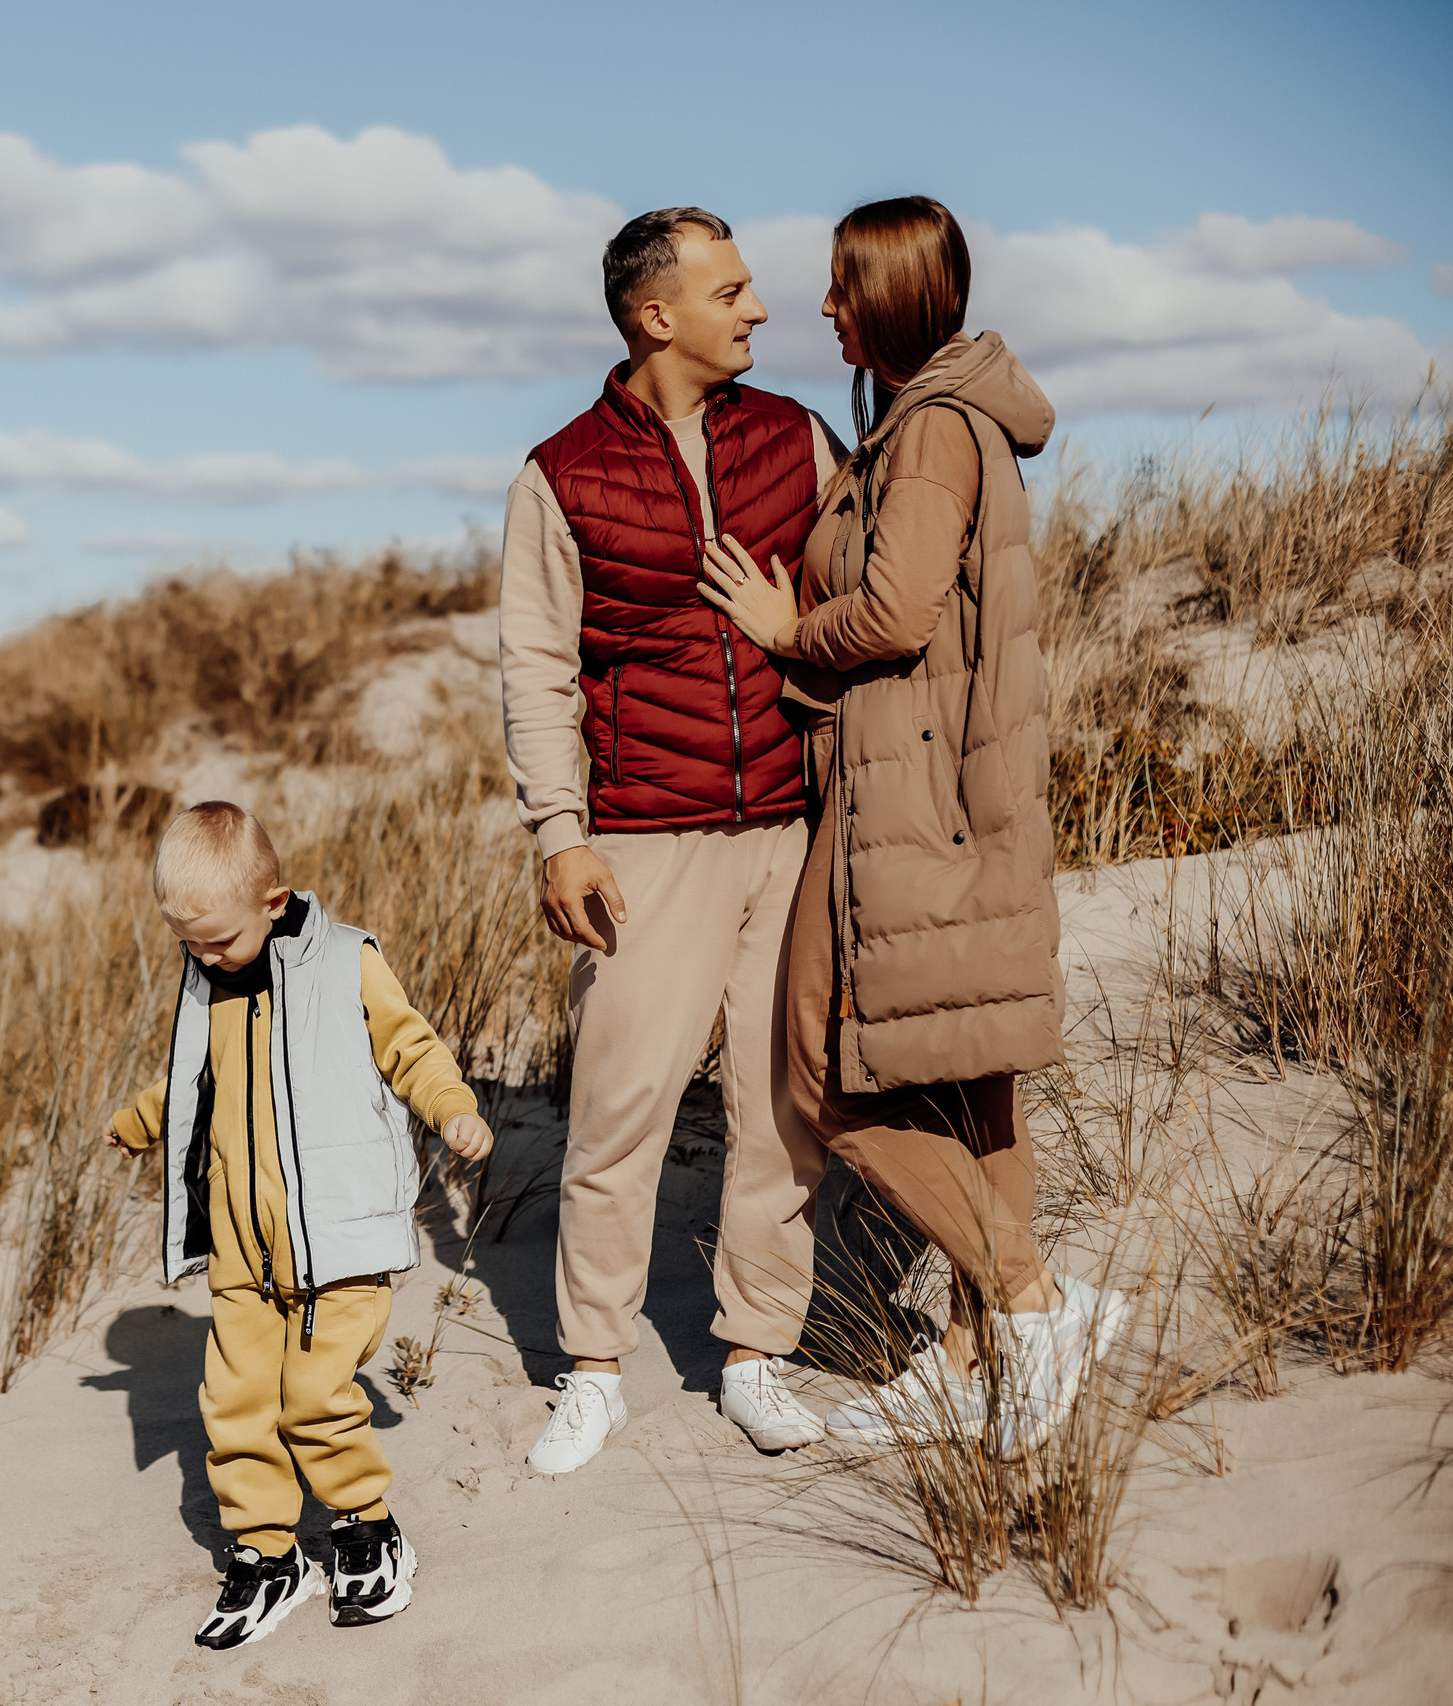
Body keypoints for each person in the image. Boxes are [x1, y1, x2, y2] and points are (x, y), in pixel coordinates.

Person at [697, 195, 1128, 1456]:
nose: (819, 307)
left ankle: (1034, 1303)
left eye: (838, 288)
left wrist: (784, 635)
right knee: (967, 1087)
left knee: (826, 1080)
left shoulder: (932, 428)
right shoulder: (923, 420)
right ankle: (971, 1358)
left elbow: (891, 611)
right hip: (939, 798)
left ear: (882, 299)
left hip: (911, 799)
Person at [499, 206, 845, 1472]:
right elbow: (536, 668)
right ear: (657, 314)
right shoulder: (561, 471)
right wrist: (560, 834)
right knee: (619, 1108)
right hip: (646, 837)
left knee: (779, 1101)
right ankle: (591, 1365)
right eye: (733, 290)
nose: (759, 309)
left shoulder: (801, 437)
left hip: (792, 831)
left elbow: (865, 596)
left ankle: (757, 1349)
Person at [104, 802, 495, 1648]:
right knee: (237, 1401)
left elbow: (412, 1048)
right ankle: (267, 1551)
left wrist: (453, 1107)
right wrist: (142, 1121)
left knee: (316, 1396)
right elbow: (190, 1083)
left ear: (274, 902)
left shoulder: (345, 962)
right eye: (188, 944)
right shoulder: (209, 983)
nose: (203, 958)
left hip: (335, 1239)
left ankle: (364, 1528)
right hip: (241, 1246)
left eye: (217, 942)